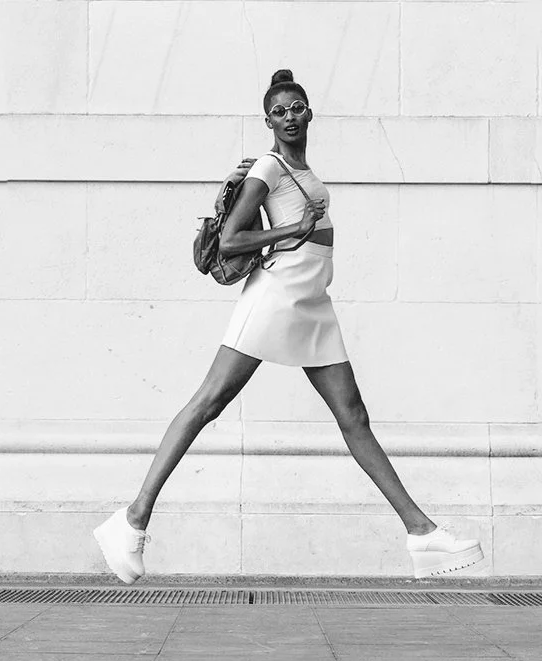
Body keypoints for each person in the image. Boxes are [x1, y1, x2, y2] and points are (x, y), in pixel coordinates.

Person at [94, 69, 484, 583]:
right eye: (279, 111)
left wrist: (301, 231)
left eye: (297, 106)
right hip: (277, 297)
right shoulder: (268, 166)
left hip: (312, 303)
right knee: (208, 402)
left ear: (309, 111)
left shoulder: (300, 167)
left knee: (354, 417)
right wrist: (292, 229)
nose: (290, 116)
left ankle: (422, 535)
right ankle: (132, 520)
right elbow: (232, 240)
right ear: (267, 121)